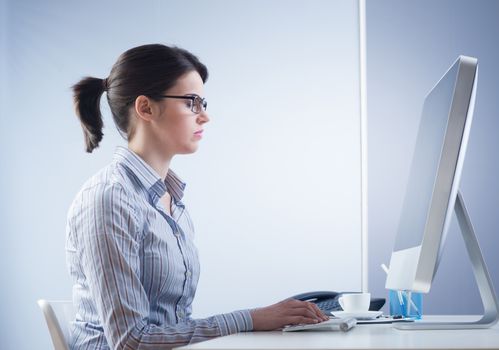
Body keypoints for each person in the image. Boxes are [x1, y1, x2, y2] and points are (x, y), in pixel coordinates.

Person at [66, 44, 328, 350]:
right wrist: (250, 319)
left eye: (202, 103)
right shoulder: (108, 199)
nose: (204, 117)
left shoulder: (172, 200)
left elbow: (174, 327)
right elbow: (131, 341)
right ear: (146, 108)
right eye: (192, 102)